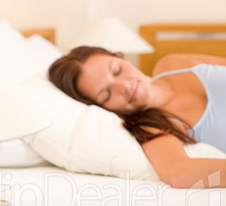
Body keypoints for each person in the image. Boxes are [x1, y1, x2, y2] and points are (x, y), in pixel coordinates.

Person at [48, 46, 226, 188]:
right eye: (106, 94)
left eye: (117, 70)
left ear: (121, 58)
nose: (123, 86)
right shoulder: (152, 126)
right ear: (102, 108)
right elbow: (179, 173)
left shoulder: (172, 65)